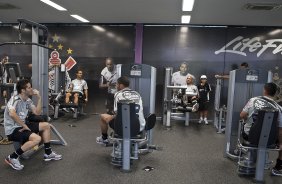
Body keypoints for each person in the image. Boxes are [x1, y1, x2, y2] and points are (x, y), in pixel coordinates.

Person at [3, 79, 62, 170]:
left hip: (22, 125)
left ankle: (48, 153)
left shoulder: (28, 100)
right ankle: (12, 157)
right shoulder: (15, 99)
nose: (32, 89)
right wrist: (24, 125)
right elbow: (12, 114)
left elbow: (37, 112)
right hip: (13, 129)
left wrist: (39, 98)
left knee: (46, 125)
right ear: (23, 90)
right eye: (29, 87)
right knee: (37, 138)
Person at [240, 82, 282, 176]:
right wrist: (280, 143)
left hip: (250, 136)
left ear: (264, 90)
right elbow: (280, 129)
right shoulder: (279, 108)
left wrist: (247, 119)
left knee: (251, 132)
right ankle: (278, 166)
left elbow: (242, 115)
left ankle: (251, 161)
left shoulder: (253, 100)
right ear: (275, 93)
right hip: (270, 139)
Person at [96, 76, 145, 145]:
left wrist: (111, 116)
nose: (115, 86)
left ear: (121, 85)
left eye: (116, 84)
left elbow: (118, 114)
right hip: (139, 127)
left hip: (123, 128)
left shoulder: (118, 94)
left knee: (103, 116)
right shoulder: (137, 94)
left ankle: (104, 139)